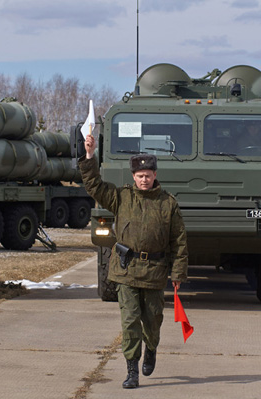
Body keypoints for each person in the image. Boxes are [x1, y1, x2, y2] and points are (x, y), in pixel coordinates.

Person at [79, 134, 188, 389]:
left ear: (154, 175)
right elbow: (93, 185)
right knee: (129, 321)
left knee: (152, 321)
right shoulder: (121, 198)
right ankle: (132, 370)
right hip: (126, 270)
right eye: (140, 176)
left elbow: (179, 241)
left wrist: (178, 273)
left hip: (154, 272)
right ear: (133, 177)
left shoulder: (167, 204)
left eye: (148, 175)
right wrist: (89, 156)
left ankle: (151, 348)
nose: (144, 179)